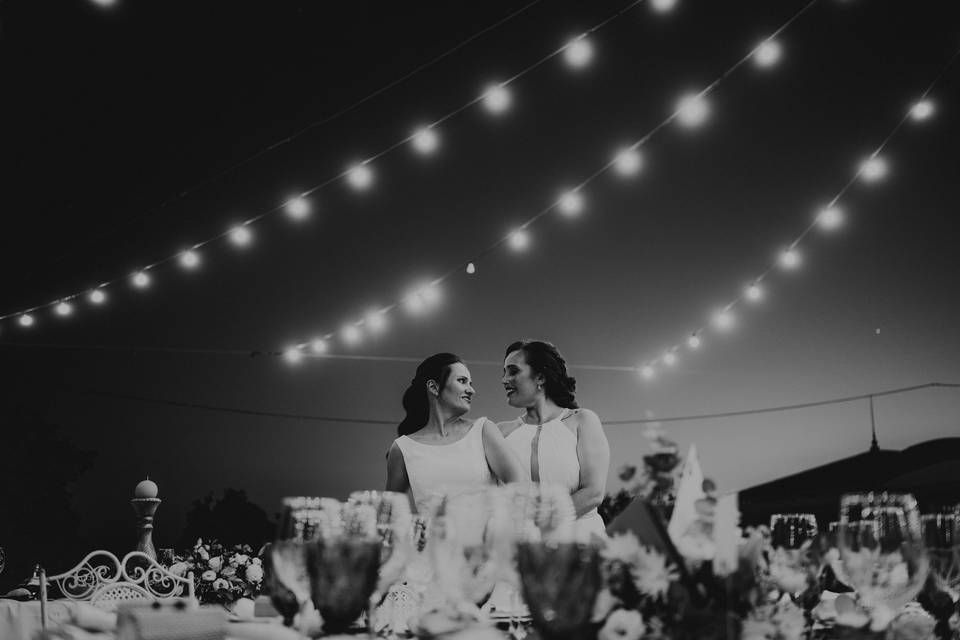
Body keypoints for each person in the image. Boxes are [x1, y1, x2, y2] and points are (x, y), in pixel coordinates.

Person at [386, 352, 524, 516]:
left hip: (485, 540)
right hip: (433, 541)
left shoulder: (483, 430)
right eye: (462, 381)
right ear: (434, 387)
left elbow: (522, 491)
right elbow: (388, 514)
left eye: (470, 383)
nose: (471, 390)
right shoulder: (402, 448)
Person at [498, 340, 610, 539]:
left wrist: (538, 527)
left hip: (581, 544)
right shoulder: (500, 433)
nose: (504, 379)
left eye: (513, 371)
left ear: (540, 377)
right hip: (523, 551)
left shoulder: (582, 420)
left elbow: (593, 492)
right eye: (504, 372)